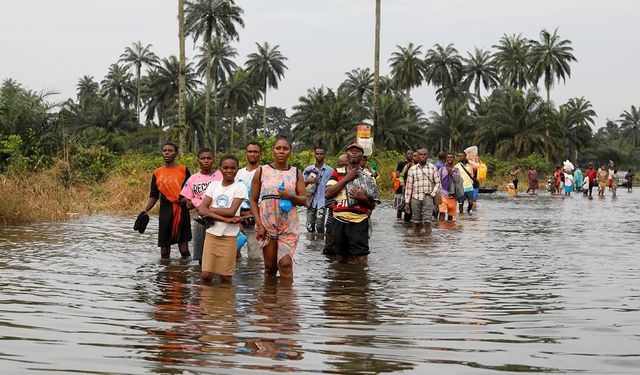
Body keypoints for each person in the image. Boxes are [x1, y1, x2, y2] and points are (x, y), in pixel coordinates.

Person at [250, 136, 306, 278]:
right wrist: (259, 224)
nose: (281, 151)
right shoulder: (261, 171)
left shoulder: (296, 173)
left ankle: (286, 300)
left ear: (290, 152)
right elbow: (253, 199)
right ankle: (269, 298)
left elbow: (304, 200)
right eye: (278, 148)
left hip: (288, 226)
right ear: (273, 151)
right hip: (266, 225)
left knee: (286, 265)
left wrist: (290, 196)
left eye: (285, 149)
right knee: (270, 268)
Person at [325, 143, 380, 266]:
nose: (354, 153)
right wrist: (347, 178)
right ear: (347, 155)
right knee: (340, 259)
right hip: (338, 220)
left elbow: (372, 206)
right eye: (351, 151)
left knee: (361, 260)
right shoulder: (337, 172)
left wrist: (363, 199)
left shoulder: (369, 177)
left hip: (359, 221)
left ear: (362, 157)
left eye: (358, 151)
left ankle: (359, 283)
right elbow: (328, 193)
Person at [197, 156, 246, 283]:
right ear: (220, 169)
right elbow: (202, 209)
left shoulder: (240, 187)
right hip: (212, 234)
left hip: (229, 236)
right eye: (225, 168)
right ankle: (208, 301)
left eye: (232, 168)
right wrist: (225, 219)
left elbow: (231, 211)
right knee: (206, 275)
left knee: (226, 276)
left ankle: (225, 301)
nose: (229, 170)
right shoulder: (213, 185)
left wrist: (211, 209)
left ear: (237, 170)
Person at [141, 142, 191, 259]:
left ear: (176, 153)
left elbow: (190, 191)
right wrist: (145, 211)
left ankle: (185, 272)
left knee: (184, 250)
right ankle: (164, 273)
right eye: (164, 150)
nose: (167, 153)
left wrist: (185, 200)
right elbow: (154, 196)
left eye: (170, 150)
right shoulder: (157, 172)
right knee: (164, 251)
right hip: (165, 211)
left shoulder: (183, 170)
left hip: (181, 210)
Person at [180, 148, 222, 265]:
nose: (206, 161)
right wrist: (196, 201)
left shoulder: (220, 175)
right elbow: (187, 204)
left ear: (214, 160)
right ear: (198, 160)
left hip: (218, 217)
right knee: (200, 254)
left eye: (209, 158)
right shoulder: (193, 179)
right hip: (201, 219)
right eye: (203, 158)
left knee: (218, 252)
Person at [235, 142, 263, 260]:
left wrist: (254, 214)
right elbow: (233, 195)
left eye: (255, 152)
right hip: (238, 218)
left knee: (255, 257)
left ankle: (254, 278)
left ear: (260, 154)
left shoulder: (264, 172)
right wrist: (239, 215)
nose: (252, 154)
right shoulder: (238, 173)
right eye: (249, 151)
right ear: (245, 153)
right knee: (234, 254)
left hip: (257, 219)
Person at [404, 148, 440, 234]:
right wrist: (407, 203)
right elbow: (408, 187)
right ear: (417, 156)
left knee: (427, 222)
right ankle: (417, 243)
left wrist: (432, 194)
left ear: (427, 156)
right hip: (415, 198)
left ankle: (427, 243)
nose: (422, 156)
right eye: (421, 154)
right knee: (416, 223)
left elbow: (438, 183)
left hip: (428, 197)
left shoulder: (433, 168)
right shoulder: (412, 169)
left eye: (425, 154)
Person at [303, 146, 334, 234]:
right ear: (314, 155)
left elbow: (334, 186)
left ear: (324, 155)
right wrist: (308, 181)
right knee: (309, 227)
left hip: (323, 202)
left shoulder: (330, 171)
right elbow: (301, 185)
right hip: (311, 201)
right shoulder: (308, 170)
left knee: (320, 227)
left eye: (321, 154)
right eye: (317, 154)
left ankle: (319, 246)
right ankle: (311, 246)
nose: (319, 156)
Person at [323, 154, 348, 257]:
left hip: (348, 222)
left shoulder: (355, 177)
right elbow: (328, 200)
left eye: (346, 164)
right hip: (332, 221)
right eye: (342, 164)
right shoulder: (334, 177)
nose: (344, 167)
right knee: (330, 249)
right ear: (338, 164)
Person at [438, 152, 459, 221]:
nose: (449, 159)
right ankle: (441, 230)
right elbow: (438, 181)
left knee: (451, 214)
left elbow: (458, 181)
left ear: (453, 159)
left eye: (451, 157)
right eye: (448, 157)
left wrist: (452, 173)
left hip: (452, 195)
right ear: (445, 159)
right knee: (442, 211)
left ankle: (450, 229)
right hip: (443, 193)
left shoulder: (456, 170)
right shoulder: (441, 170)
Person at [393, 150, 413, 220]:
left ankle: (407, 221)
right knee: (399, 207)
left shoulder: (415, 164)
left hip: (412, 187)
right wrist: (403, 174)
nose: (410, 155)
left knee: (410, 205)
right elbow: (397, 174)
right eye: (408, 154)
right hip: (401, 187)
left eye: (411, 154)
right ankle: (399, 221)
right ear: (405, 155)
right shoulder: (401, 164)